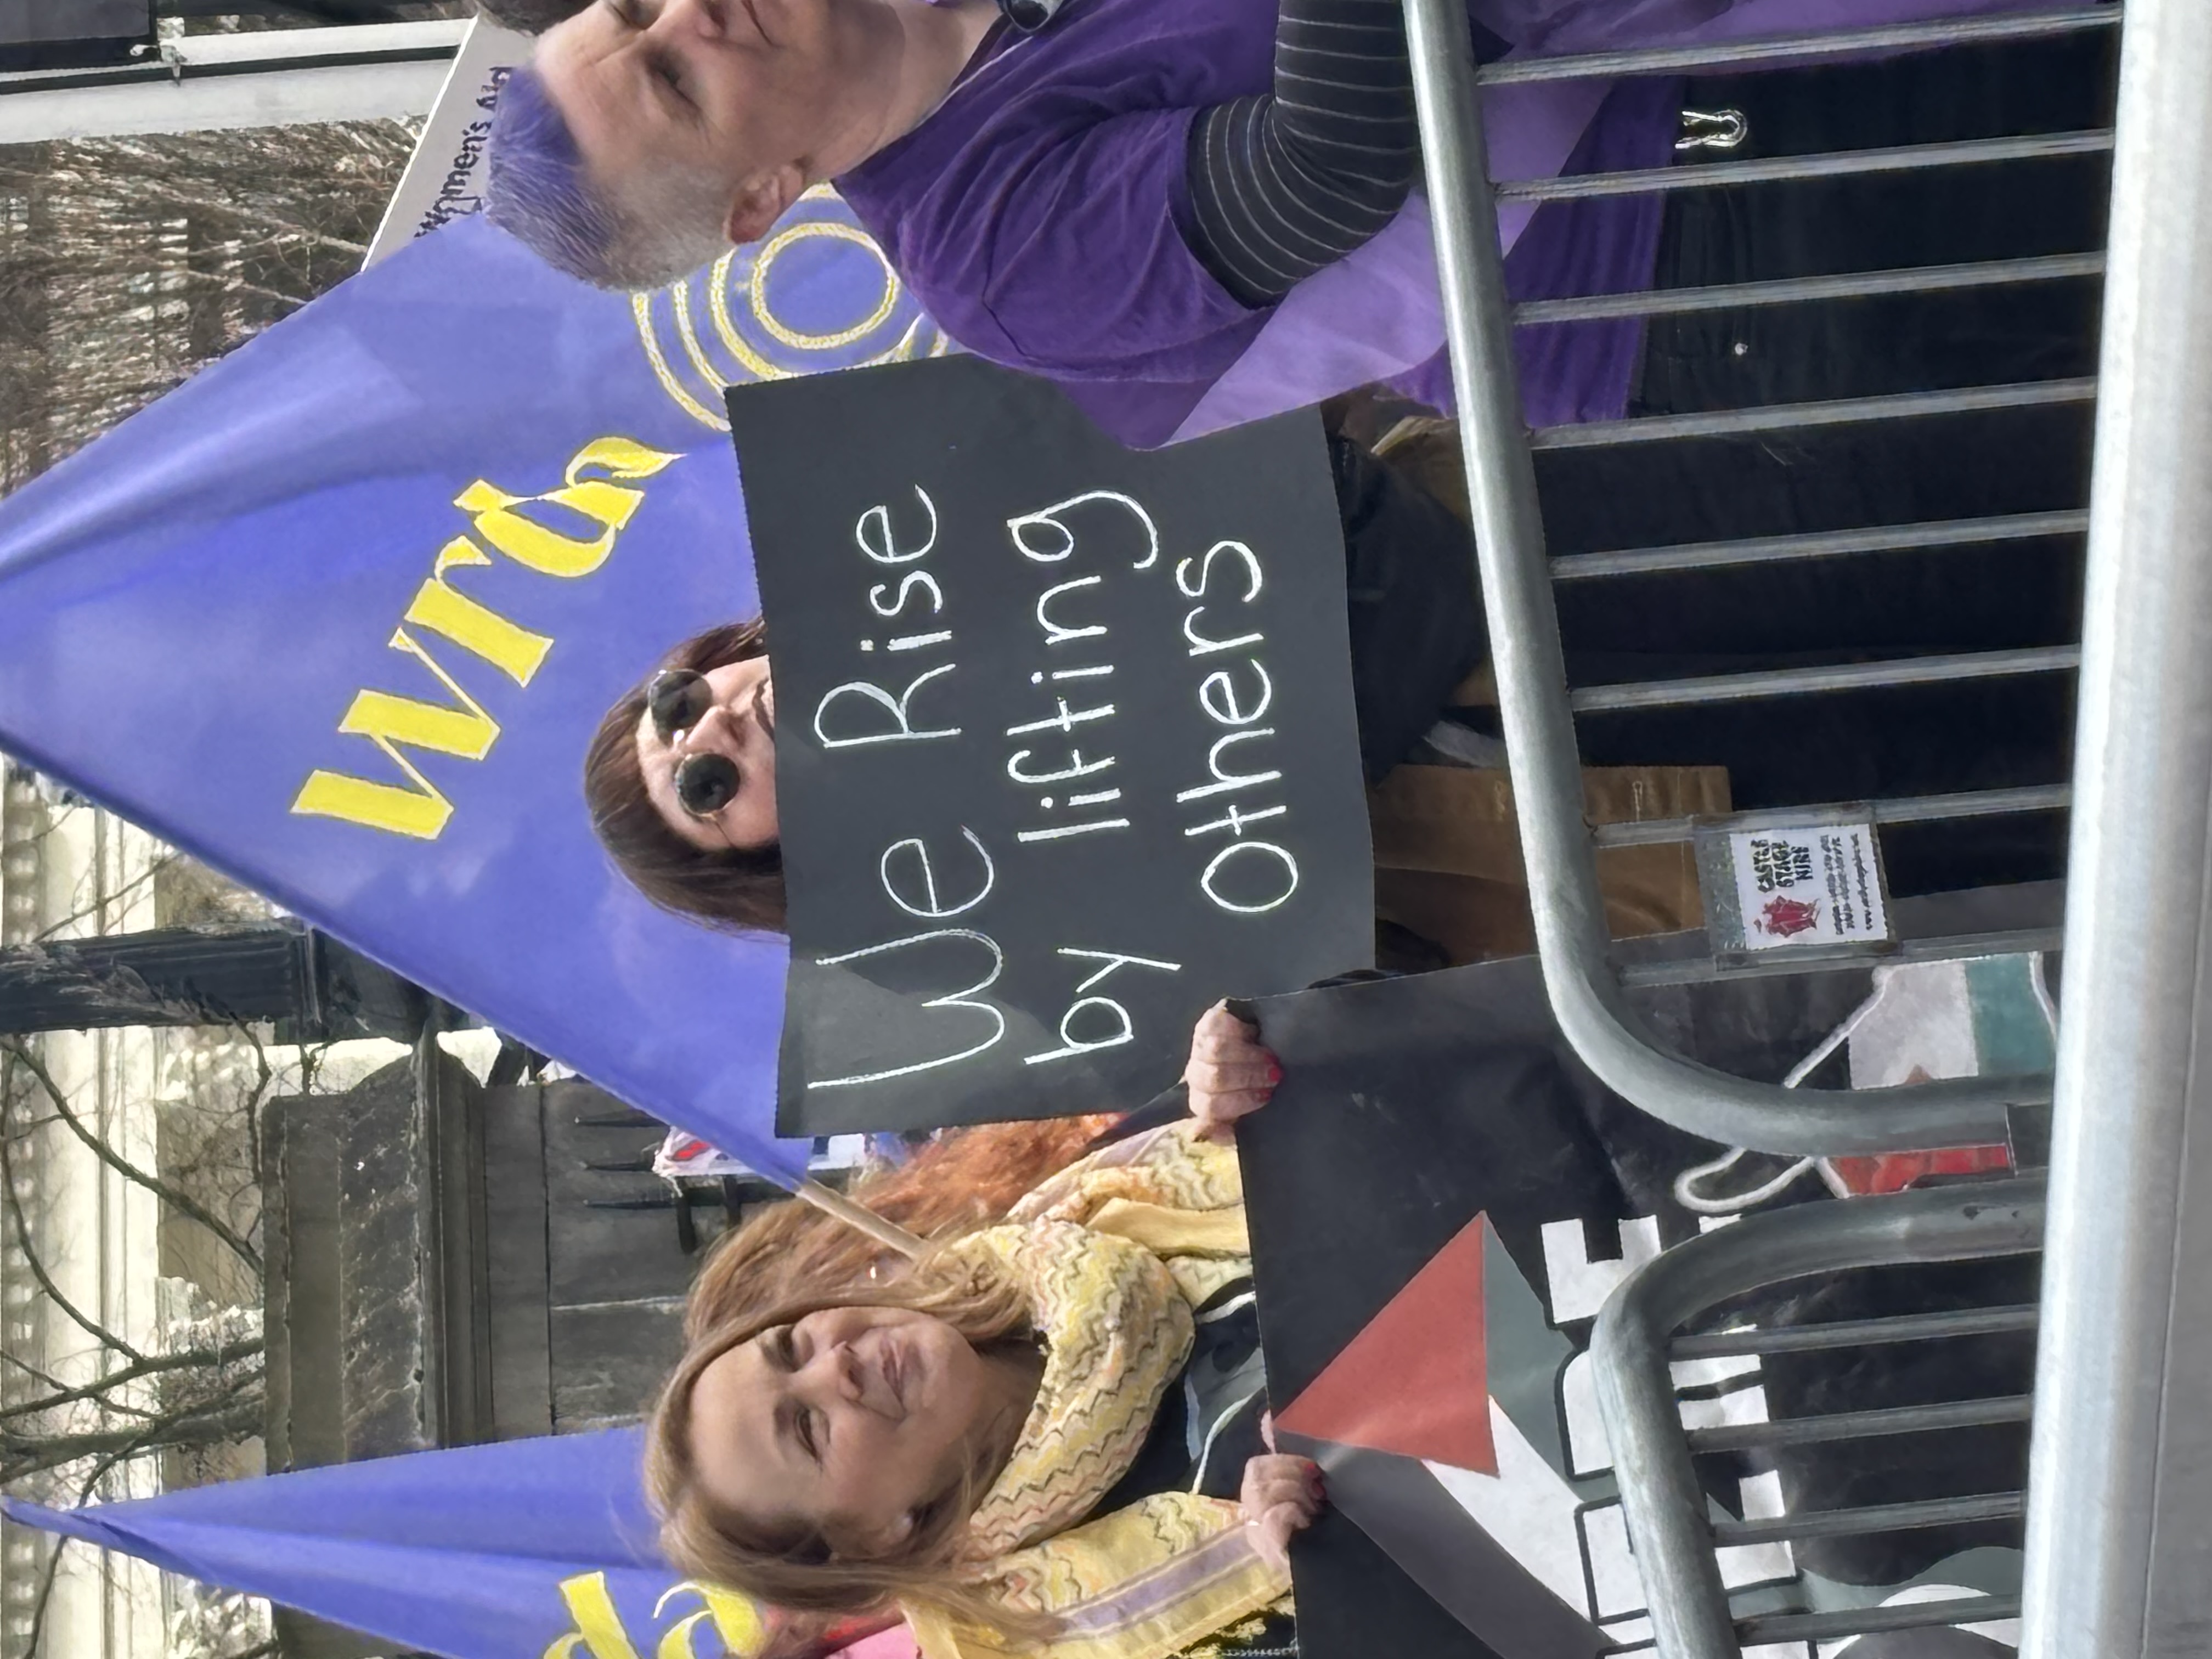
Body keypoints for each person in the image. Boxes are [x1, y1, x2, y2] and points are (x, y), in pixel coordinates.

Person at [481, 0, 2063, 448]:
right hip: (1688, 246)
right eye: (677, 80)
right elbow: (1323, 166)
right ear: (760, 205)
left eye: (640, 7)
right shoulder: (991, 260)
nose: (698, 14)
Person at [584, 431, 1493, 935]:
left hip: (1502, 506)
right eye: (704, 787)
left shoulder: (922, 512)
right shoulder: (1001, 930)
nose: (714, 729)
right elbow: (1329, 964)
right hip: (1540, 763)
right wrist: (1223, 1046)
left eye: (678, 703)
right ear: (766, 860)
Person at [649, 1003, 1307, 1659]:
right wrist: (1340, 1558)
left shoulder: (1081, 1207)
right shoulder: (1091, 1632)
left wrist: (1239, 1054)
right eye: (806, 1428)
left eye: (792, 1347)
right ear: (874, 1539)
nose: (836, 1366)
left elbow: (1363, 1020)